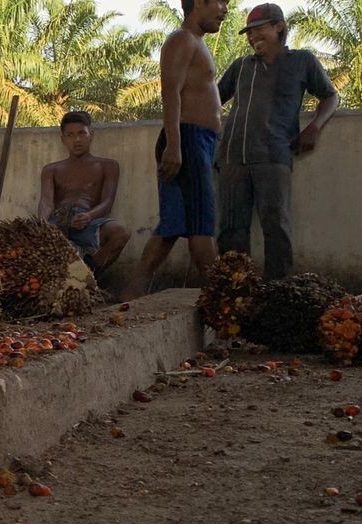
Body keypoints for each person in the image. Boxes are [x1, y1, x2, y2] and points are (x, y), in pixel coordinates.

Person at [216, 4, 340, 280]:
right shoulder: (242, 66)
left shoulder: (302, 61)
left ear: (279, 27)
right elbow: (213, 100)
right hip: (231, 159)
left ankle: (278, 293)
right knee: (230, 231)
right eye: (248, 33)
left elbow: (331, 97)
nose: (251, 37)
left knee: (276, 227)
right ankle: (234, 297)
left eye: (258, 30)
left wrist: (315, 128)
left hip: (274, 156)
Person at [122, 0, 230, 300]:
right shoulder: (181, 40)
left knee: (172, 226)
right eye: (220, 2)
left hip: (196, 141)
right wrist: (174, 145)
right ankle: (224, 307)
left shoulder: (196, 42)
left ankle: (129, 297)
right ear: (198, 4)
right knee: (201, 227)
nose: (225, 9)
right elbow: (170, 92)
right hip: (186, 139)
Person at [39, 111, 131, 275]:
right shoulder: (51, 169)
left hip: (88, 221)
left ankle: (89, 275)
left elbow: (107, 202)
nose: (77, 140)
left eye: (82, 133)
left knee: (121, 233)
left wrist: (88, 216)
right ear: (63, 139)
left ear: (91, 135)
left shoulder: (108, 166)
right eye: (70, 135)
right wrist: (43, 225)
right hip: (58, 220)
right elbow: (47, 201)